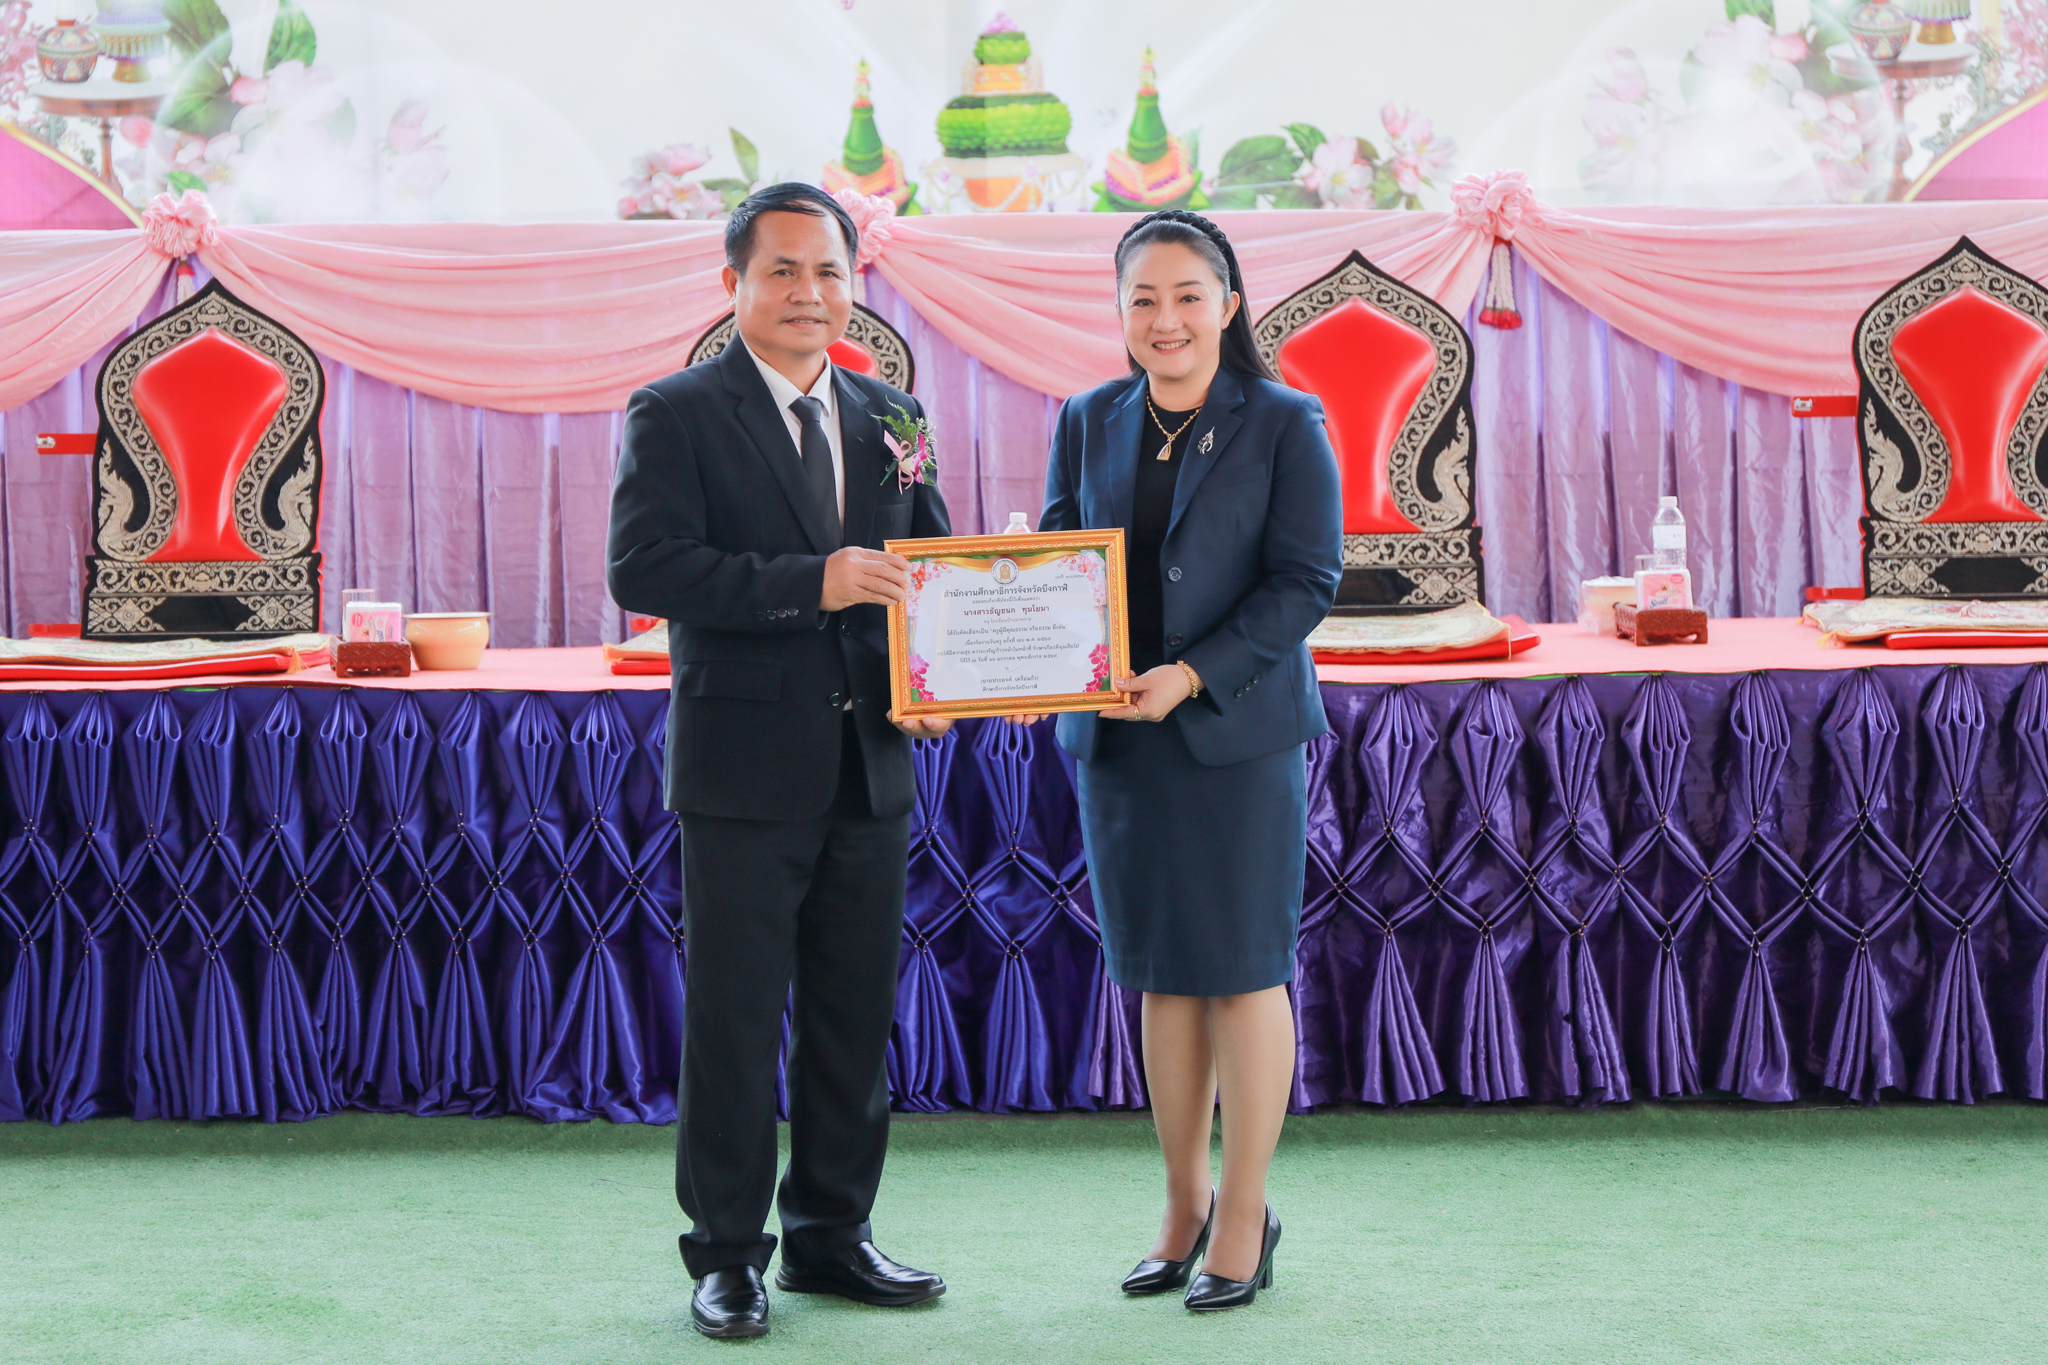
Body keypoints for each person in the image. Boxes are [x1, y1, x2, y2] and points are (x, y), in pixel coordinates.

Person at [606, 183, 953, 1341]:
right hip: (743, 770)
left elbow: (929, 564)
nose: (810, 293)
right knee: (737, 1023)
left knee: (854, 1019)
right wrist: (814, 582)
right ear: (733, 284)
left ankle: (830, 1236)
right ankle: (724, 1255)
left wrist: (935, 682)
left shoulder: (895, 414)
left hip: (871, 762)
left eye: (829, 272)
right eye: (783, 271)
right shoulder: (676, 411)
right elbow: (645, 568)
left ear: (854, 283)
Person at [1016, 210, 1340, 1311]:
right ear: (1118, 313)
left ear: (1228, 304)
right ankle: (1180, 1203)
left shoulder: (1284, 420)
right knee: (1158, 974)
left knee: (1241, 973)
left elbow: (1304, 581)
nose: (1166, 319)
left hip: (1232, 734)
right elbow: (1063, 558)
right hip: (1118, 737)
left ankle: (1245, 1213)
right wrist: (1028, 647)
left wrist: (1192, 674)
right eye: (1143, 299)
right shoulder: (1087, 417)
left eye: (1188, 296)